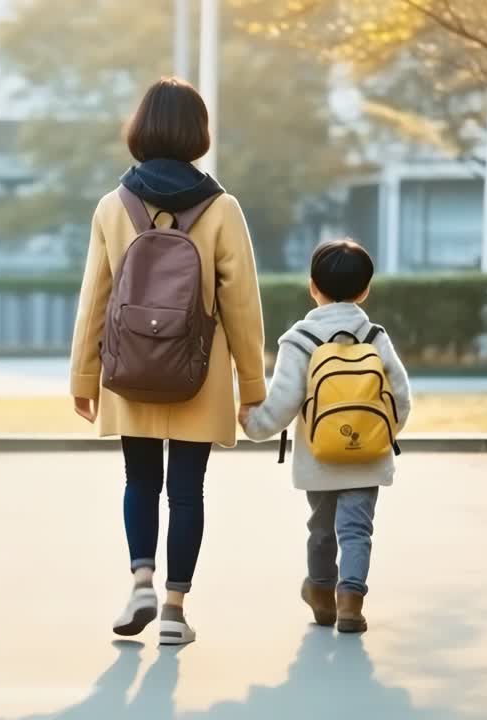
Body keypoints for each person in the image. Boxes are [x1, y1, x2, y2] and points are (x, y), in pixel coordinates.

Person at [70, 77, 265, 645]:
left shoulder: (113, 206)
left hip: (129, 367)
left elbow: (95, 300)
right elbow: (242, 304)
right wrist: (251, 383)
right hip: (199, 371)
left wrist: (84, 376)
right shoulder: (222, 208)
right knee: (187, 490)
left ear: (140, 130)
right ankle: (175, 611)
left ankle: (140, 580)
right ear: (198, 134)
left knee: (138, 479)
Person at [240, 239, 411, 634]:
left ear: (312, 285)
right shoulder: (375, 336)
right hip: (368, 458)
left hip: (320, 458)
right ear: (365, 290)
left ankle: (320, 593)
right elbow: (400, 397)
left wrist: (254, 424)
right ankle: (350, 603)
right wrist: (379, 435)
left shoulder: (299, 340)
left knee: (321, 528)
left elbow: (283, 401)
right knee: (357, 530)